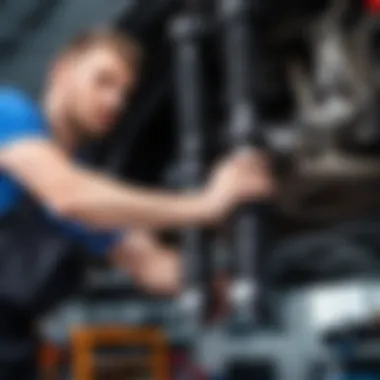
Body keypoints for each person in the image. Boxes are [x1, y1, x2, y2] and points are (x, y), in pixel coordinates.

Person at [0, 28, 273, 379]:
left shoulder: (87, 184)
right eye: (103, 81)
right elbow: (67, 195)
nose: (115, 101)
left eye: (124, 93)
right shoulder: (10, 113)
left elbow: (147, 262)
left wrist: (211, 281)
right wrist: (206, 204)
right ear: (62, 71)